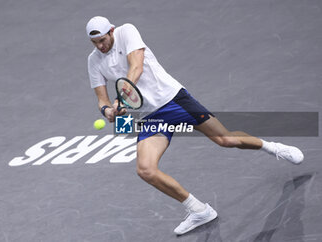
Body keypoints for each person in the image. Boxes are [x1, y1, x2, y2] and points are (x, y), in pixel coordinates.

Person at [86, 16, 304, 235]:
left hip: (173, 100)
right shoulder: (94, 61)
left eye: (103, 40)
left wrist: (122, 97)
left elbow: (137, 66)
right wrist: (109, 111)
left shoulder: (127, 32)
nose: (100, 46)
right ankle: (199, 210)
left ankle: (272, 147)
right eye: (95, 43)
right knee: (146, 170)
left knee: (226, 140)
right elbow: (101, 99)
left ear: (112, 31)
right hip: (148, 117)